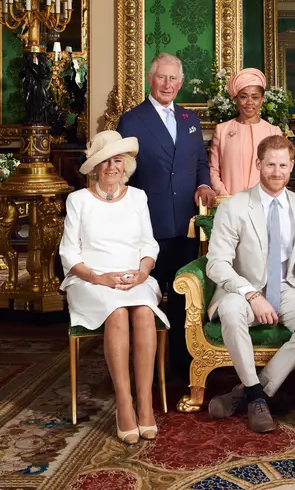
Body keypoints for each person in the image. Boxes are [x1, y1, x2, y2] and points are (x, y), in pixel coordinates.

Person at [59, 131, 169, 444]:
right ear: (95, 167)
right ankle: (124, 403)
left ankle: (145, 403)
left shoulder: (138, 197)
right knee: (118, 312)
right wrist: (100, 278)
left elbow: (149, 244)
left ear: (127, 164)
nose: (111, 167)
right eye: (104, 161)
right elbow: (69, 253)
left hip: (135, 277)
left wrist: (143, 271)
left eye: (117, 160)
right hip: (90, 279)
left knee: (145, 312)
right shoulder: (78, 200)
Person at [205, 135, 295, 433]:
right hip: (243, 289)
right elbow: (216, 263)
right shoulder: (235, 206)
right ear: (258, 164)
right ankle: (257, 397)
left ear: (292, 166)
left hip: (287, 287)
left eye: (283, 165)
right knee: (230, 309)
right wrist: (251, 293)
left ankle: (250, 392)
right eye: (270, 164)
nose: (277, 171)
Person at [116, 52, 215, 376]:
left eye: (174, 79)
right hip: (149, 225)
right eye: (162, 77)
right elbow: (123, 173)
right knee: (150, 297)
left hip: (185, 225)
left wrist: (204, 186)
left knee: (185, 297)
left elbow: (200, 163)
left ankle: (182, 367)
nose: (168, 84)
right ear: (150, 78)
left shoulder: (190, 120)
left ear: (181, 83)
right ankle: (148, 368)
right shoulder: (132, 120)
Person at [209, 67, 282, 196]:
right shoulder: (222, 130)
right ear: (236, 99)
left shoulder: (273, 132)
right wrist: (225, 196)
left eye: (255, 97)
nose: (249, 102)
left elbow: (278, 171)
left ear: (262, 99)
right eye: (243, 97)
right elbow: (213, 169)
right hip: (229, 203)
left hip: (263, 203)